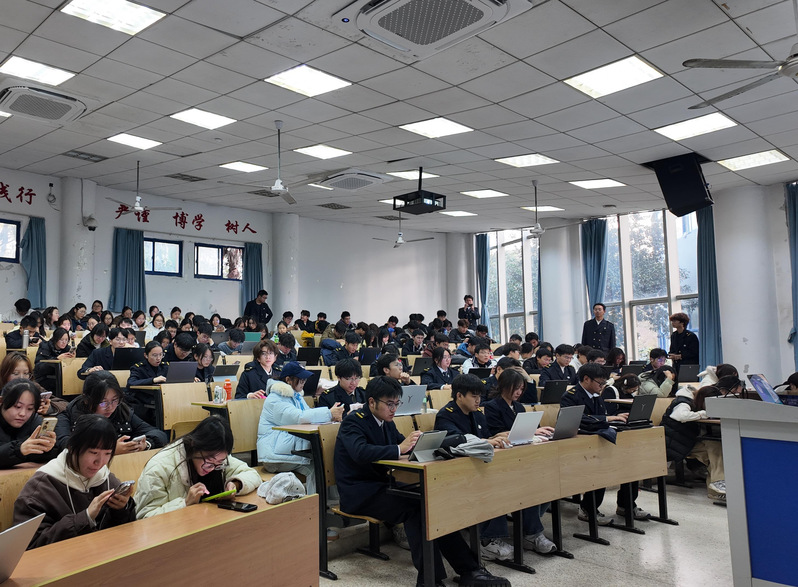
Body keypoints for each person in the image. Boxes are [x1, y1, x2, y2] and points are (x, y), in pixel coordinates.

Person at [334, 376, 508, 587]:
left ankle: (469, 570)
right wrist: (400, 448)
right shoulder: (354, 421)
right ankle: (430, 580)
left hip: (382, 486)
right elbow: (360, 452)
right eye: (389, 404)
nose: (394, 409)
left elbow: (403, 444)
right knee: (417, 509)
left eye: (396, 404)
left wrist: (420, 444)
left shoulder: (385, 421)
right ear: (371, 402)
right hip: (358, 492)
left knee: (434, 503)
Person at [13, 414, 137, 548]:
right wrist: (85, 517)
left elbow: (124, 531)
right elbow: (29, 544)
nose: (100, 462)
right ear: (72, 448)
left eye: (107, 453)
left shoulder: (105, 478)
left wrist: (122, 509)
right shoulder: (41, 488)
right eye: (93, 452)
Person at [481, 368, 557, 554]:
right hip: (503, 458)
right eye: (516, 388)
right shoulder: (492, 406)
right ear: (504, 386)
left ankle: (530, 528)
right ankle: (532, 533)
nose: (519, 392)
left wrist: (536, 433)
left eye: (521, 389)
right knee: (524, 485)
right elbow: (495, 434)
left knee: (548, 481)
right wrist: (530, 432)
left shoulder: (520, 407)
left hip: (523, 456)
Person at [134, 416, 261, 519]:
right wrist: (185, 503)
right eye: (209, 462)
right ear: (194, 445)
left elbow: (252, 474)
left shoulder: (217, 459)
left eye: (219, 463)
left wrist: (236, 484)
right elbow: (145, 517)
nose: (212, 468)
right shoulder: (159, 468)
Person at [560, 363, 633, 524]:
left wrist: (612, 420)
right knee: (598, 471)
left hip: (596, 442)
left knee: (624, 463)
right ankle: (587, 509)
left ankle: (623, 505)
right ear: (586, 379)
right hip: (577, 444)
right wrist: (607, 419)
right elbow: (579, 420)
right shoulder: (570, 396)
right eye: (600, 383)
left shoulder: (595, 395)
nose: (602, 386)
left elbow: (599, 418)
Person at [257, 362, 344, 493]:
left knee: (326, 459)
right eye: (301, 379)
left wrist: (330, 417)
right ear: (288, 380)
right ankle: (314, 504)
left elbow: (308, 415)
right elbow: (299, 417)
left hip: (285, 450)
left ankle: (328, 500)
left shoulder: (295, 396)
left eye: (305, 379)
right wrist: (329, 413)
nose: (304, 382)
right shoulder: (275, 399)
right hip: (273, 456)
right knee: (316, 466)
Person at [56, 371, 167, 454]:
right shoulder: (68, 416)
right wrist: (109, 450)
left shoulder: (121, 411)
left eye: (114, 400)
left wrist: (145, 444)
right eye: (103, 402)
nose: (110, 407)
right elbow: (67, 447)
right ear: (86, 400)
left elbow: (159, 434)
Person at [662, 383, 728, 500]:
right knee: (715, 451)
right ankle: (716, 488)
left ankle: (716, 488)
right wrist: (703, 413)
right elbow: (681, 416)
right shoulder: (683, 402)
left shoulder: (693, 401)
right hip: (674, 442)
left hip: (687, 440)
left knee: (715, 450)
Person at [0, 379, 58, 468]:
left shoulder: (34, 420)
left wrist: (47, 449)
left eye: (30, 408)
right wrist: (18, 450)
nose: (23, 414)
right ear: (1, 401)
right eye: (17, 407)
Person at [32, 327, 75, 392]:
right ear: (55, 339)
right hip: (44, 377)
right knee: (60, 384)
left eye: (66, 340)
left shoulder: (67, 349)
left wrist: (72, 359)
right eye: (61, 340)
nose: (64, 342)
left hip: (59, 376)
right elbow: (39, 367)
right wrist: (56, 359)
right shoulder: (45, 346)